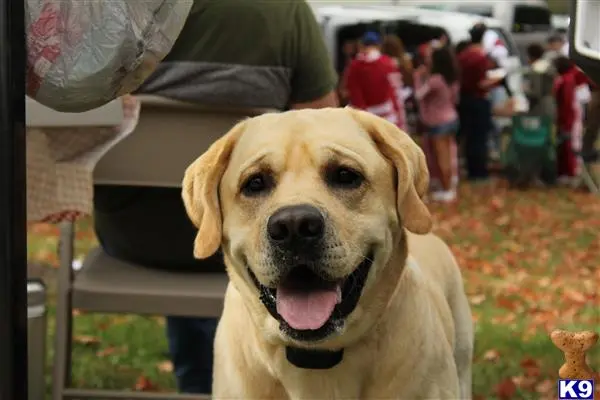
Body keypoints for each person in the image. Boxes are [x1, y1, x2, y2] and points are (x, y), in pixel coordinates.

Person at [93, 0, 338, 394]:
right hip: (259, 242)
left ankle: (198, 380)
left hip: (131, 236)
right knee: (237, 224)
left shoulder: (113, 10)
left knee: (220, 224)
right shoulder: (286, 10)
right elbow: (326, 126)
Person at [457, 23, 502, 181]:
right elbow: (481, 83)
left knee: (469, 137)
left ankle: (470, 168)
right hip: (478, 100)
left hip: (464, 100)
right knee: (480, 138)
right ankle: (479, 172)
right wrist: (497, 81)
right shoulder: (480, 57)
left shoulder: (463, 55)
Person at [414, 47, 460, 202]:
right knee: (448, 153)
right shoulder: (452, 78)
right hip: (451, 117)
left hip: (438, 121)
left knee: (441, 157)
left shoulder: (436, 80)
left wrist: (417, 77)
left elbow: (419, 95)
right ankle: (448, 184)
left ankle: (447, 189)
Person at [345, 31, 406, 130]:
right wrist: (401, 122)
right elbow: (396, 94)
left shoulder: (354, 66)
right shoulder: (388, 63)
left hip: (364, 119)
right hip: (387, 118)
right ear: (379, 45)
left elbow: (354, 94)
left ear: (362, 45)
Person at [553, 56, 583, 184]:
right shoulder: (568, 79)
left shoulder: (566, 80)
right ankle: (567, 170)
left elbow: (566, 102)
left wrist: (565, 121)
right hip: (569, 116)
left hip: (568, 117)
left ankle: (571, 171)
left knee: (568, 143)